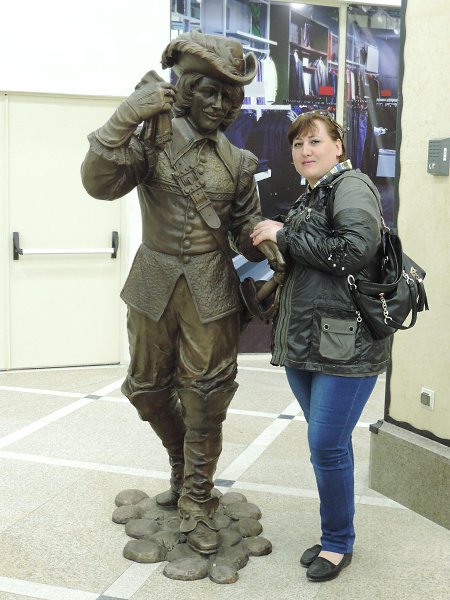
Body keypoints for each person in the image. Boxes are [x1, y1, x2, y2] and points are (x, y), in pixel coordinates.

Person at [81, 31, 282, 556]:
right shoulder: (153, 141)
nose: (219, 105)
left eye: (229, 97)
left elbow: (242, 225)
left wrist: (264, 241)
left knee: (207, 397)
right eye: (209, 93)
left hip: (211, 287)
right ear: (186, 92)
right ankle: (179, 462)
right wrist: (126, 114)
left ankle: (196, 497)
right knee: (146, 390)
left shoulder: (239, 162)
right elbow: (97, 183)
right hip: (153, 279)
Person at [251, 111, 391, 582]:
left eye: (315, 141)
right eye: (297, 144)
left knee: (325, 445)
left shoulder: (351, 186)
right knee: (328, 445)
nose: (305, 151)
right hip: (308, 342)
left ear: (338, 146)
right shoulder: (314, 193)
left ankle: (337, 543)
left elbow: (352, 250)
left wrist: (284, 234)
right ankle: (337, 534)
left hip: (345, 346)